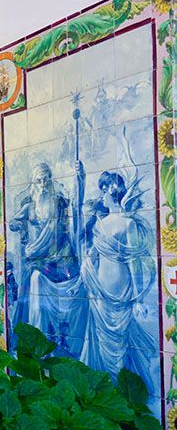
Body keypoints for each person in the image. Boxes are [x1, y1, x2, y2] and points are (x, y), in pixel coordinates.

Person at [77, 146, 158, 395]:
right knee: (101, 346)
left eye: (104, 189)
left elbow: (135, 264)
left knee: (120, 347)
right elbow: (91, 253)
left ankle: (120, 398)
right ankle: (103, 395)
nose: (101, 194)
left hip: (120, 294)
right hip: (99, 293)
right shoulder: (99, 222)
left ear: (111, 192)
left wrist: (138, 299)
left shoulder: (128, 224)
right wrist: (79, 181)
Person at [8, 162, 87, 355]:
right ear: (34, 184)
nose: (43, 184)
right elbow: (12, 222)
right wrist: (20, 226)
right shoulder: (30, 207)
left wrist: (80, 179)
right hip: (38, 258)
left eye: (46, 179)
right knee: (32, 281)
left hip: (59, 257)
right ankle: (35, 336)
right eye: (39, 180)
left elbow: (76, 206)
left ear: (50, 181)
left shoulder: (58, 203)